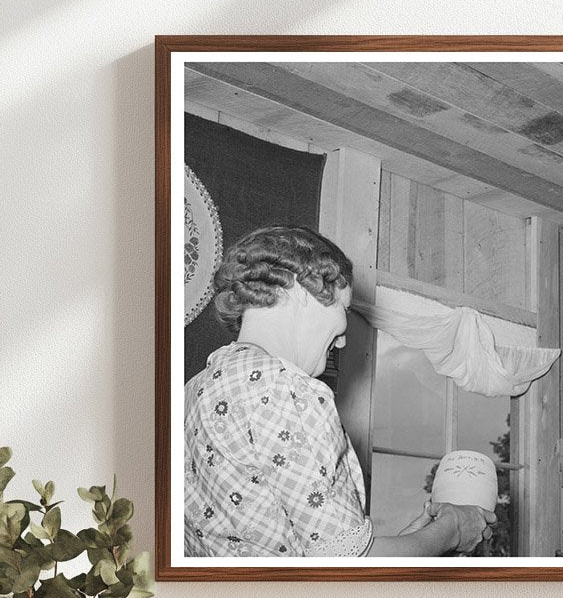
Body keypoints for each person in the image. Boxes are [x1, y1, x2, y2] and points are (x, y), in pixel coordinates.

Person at [183, 225, 493, 558]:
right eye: (343, 309)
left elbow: (302, 548)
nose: (343, 340)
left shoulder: (196, 388)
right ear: (300, 289)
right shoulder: (289, 391)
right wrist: (452, 530)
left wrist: (411, 540)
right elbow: (348, 569)